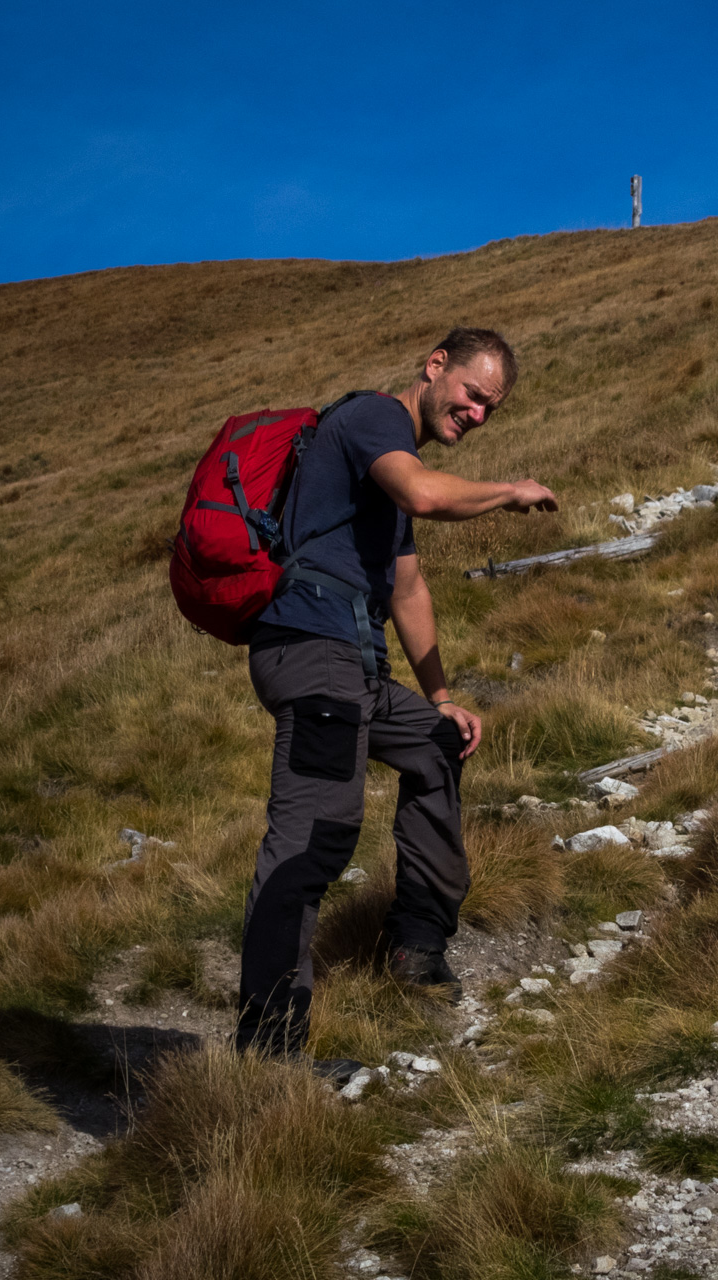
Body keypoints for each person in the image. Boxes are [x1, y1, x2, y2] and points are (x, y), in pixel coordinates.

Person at [235, 327, 556, 1062]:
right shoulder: (376, 420)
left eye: (489, 411)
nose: (476, 415)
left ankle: (416, 946)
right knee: (313, 839)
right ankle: (269, 1049)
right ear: (435, 367)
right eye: (473, 396)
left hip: (354, 670)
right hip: (314, 657)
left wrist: (440, 696)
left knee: (438, 745)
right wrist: (508, 490)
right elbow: (423, 493)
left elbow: (405, 585)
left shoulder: (387, 468)